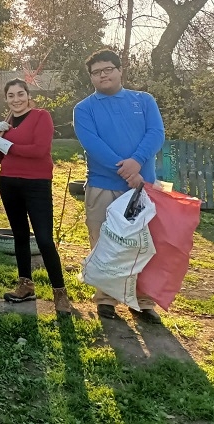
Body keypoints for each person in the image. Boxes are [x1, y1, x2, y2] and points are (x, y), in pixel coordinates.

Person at [73, 49, 165, 323]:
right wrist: (125, 170)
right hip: (103, 186)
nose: (103, 75)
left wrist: (137, 163)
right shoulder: (84, 109)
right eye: (96, 72)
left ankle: (143, 302)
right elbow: (92, 144)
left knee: (144, 244)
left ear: (119, 70)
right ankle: (106, 300)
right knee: (105, 244)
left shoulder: (144, 100)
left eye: (108, 69)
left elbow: (156, 133)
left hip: (142, 188)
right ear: (91, 77)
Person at [0, 79, 72, 315]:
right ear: (6, 99)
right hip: (8, 183)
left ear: (28, 95)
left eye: (20, 94)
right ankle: (25, 284)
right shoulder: (6, 123)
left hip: (37, 185)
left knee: (44, 239)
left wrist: (7, 144)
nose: (16, 99)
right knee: (20, 236)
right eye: (11, 95)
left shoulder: (41, 116)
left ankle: (60, 292)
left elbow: (39, 150)